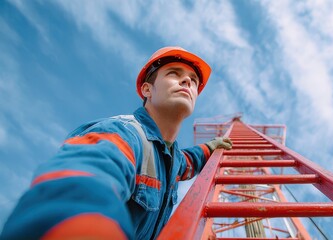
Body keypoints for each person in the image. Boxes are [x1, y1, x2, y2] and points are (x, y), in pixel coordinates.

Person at [0, 46, 233, 240]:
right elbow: (82, 184)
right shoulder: (123, 133)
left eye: (193, 80)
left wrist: (211, 147)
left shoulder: (171, 160)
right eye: (174, 72)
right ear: (147, 89)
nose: (187, 81)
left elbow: (188, 161)